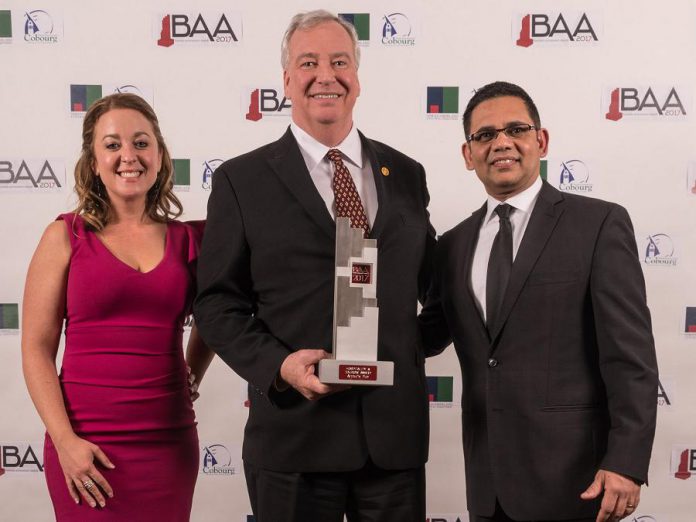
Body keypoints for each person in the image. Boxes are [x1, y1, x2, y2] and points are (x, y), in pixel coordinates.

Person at [194, 10, 435, 522]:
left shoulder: (407, 174)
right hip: (293, 442)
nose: (326, 75)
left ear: (358, 77)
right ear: (286, 80)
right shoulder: (242, 181)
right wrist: (279, 367)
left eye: (339, 61)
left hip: (393, 444)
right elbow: (217, 304)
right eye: (309, 62)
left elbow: (436, 286)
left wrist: (407, 348)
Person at [419, 81, 658, 522]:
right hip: (488, 483)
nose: (501, 143)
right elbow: (425, 336)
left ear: (540, 141)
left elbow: (631, 358)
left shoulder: (598, 224)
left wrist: (625, 461)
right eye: (485, 135)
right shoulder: (451, 246)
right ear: (468, 155)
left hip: (578, 481)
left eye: (516, 129)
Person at [21, 93, 214, 521]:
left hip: (169, 444)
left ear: (161, 157)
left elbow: (219, 317)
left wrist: (193, 374)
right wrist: (65, 442)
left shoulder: (190, 240)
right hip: (85, 446)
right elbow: (35, 349)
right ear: (93, 162)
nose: (129, 156)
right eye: (112, 145)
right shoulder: (65, 236)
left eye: (141, 143)